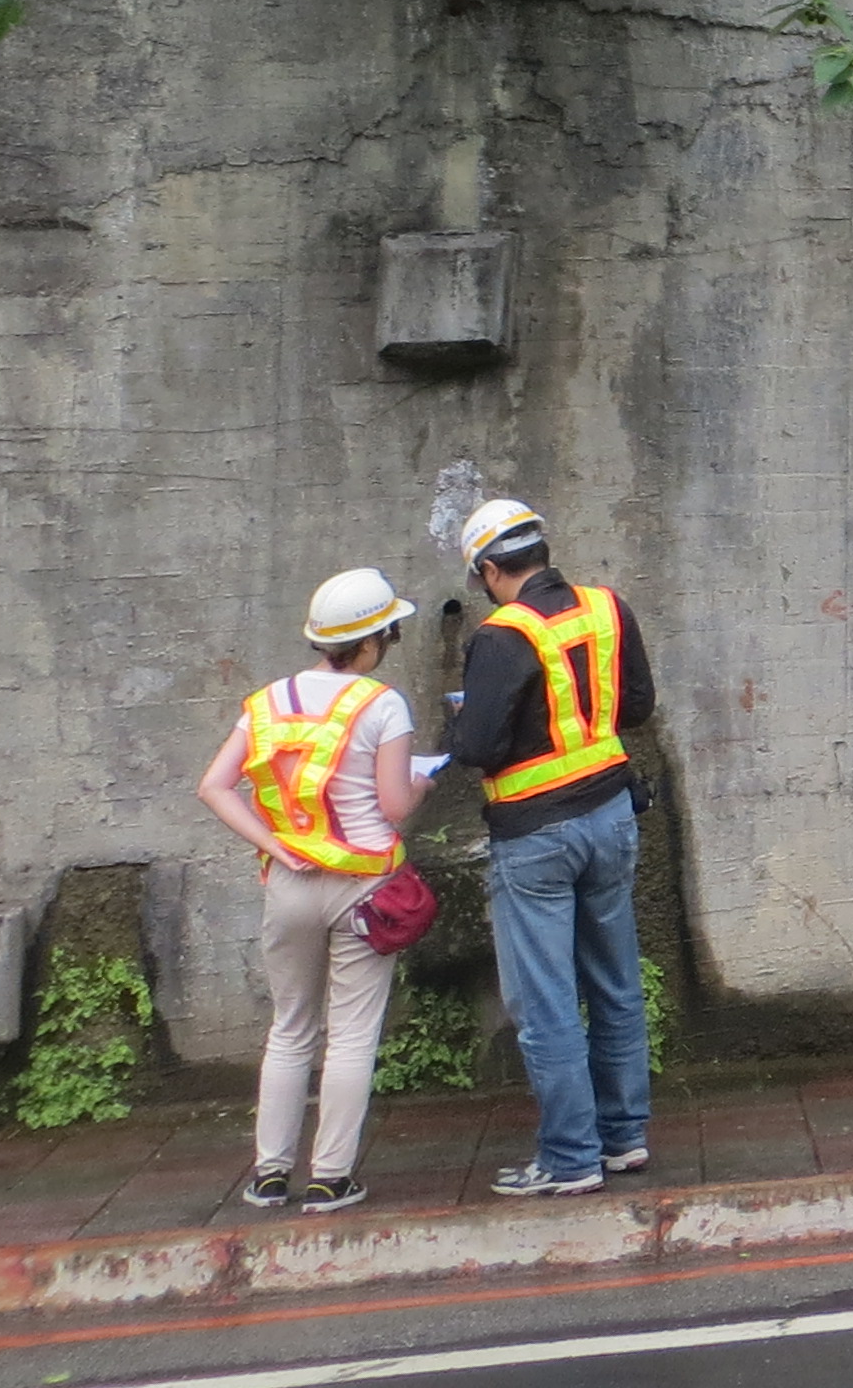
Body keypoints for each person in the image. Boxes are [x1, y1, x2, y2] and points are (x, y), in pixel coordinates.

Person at [195, 565, 422, 1214]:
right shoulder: (382, 704)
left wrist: (274, 846)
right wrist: (424, 784)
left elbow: (214, 786)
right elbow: (394, 804)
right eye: (392, 634)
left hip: (288, 884)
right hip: (363, 888)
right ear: (373, 640)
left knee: (290, 1028)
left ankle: (269, 1174)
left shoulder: (266, 704)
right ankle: (330, 1177)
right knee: (351, 1034)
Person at [446, 497, 657, 1196]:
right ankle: (624, 1137)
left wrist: (466, 718)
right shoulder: (606, 607)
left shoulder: (501, 636)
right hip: (610, 815)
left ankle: (570, 1158)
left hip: (536, 836)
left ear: (486, 569)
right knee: (616, 984)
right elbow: (636, 707)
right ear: (540, 549)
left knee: (546, 1005)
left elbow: (477, 747)